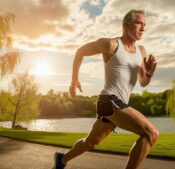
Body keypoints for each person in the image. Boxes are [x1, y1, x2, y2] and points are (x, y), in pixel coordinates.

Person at [53, 9, 159, 169]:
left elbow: (143, 82)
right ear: (126, 25)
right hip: (109, 100)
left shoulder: (141, 51)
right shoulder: (111, 44)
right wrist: (74, 79)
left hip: (119, 105)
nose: (143, 28)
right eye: (139, 23)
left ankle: (61, 159)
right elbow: (80, 51)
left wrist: (149, 74)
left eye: (144, 25)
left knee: (90, 143)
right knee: (151, 133)